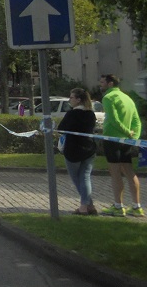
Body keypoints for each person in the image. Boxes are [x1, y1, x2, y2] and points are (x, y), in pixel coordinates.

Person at [99, 74, 143, 217]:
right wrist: (133, 136)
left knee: (115, 173)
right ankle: (137, 207)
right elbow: (137, 120)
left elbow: (113, 120)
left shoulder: (108, 97)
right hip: (126, 142)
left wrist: (126, 132)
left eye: (102, 82)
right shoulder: (127, 98)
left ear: (110, 83)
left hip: (113, 139)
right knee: (129, 171)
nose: (100, 84)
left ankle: (118, 206)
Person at [56, 88, 99, 215]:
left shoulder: (72, 114)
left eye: (71, 97)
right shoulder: (90, 114)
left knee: (77, 179)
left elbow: (61, 129)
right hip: (89, 149)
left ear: (78, 100)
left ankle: (84, 207)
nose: (70, 100)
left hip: (73, 150)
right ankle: (89, 205)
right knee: (85, 177)